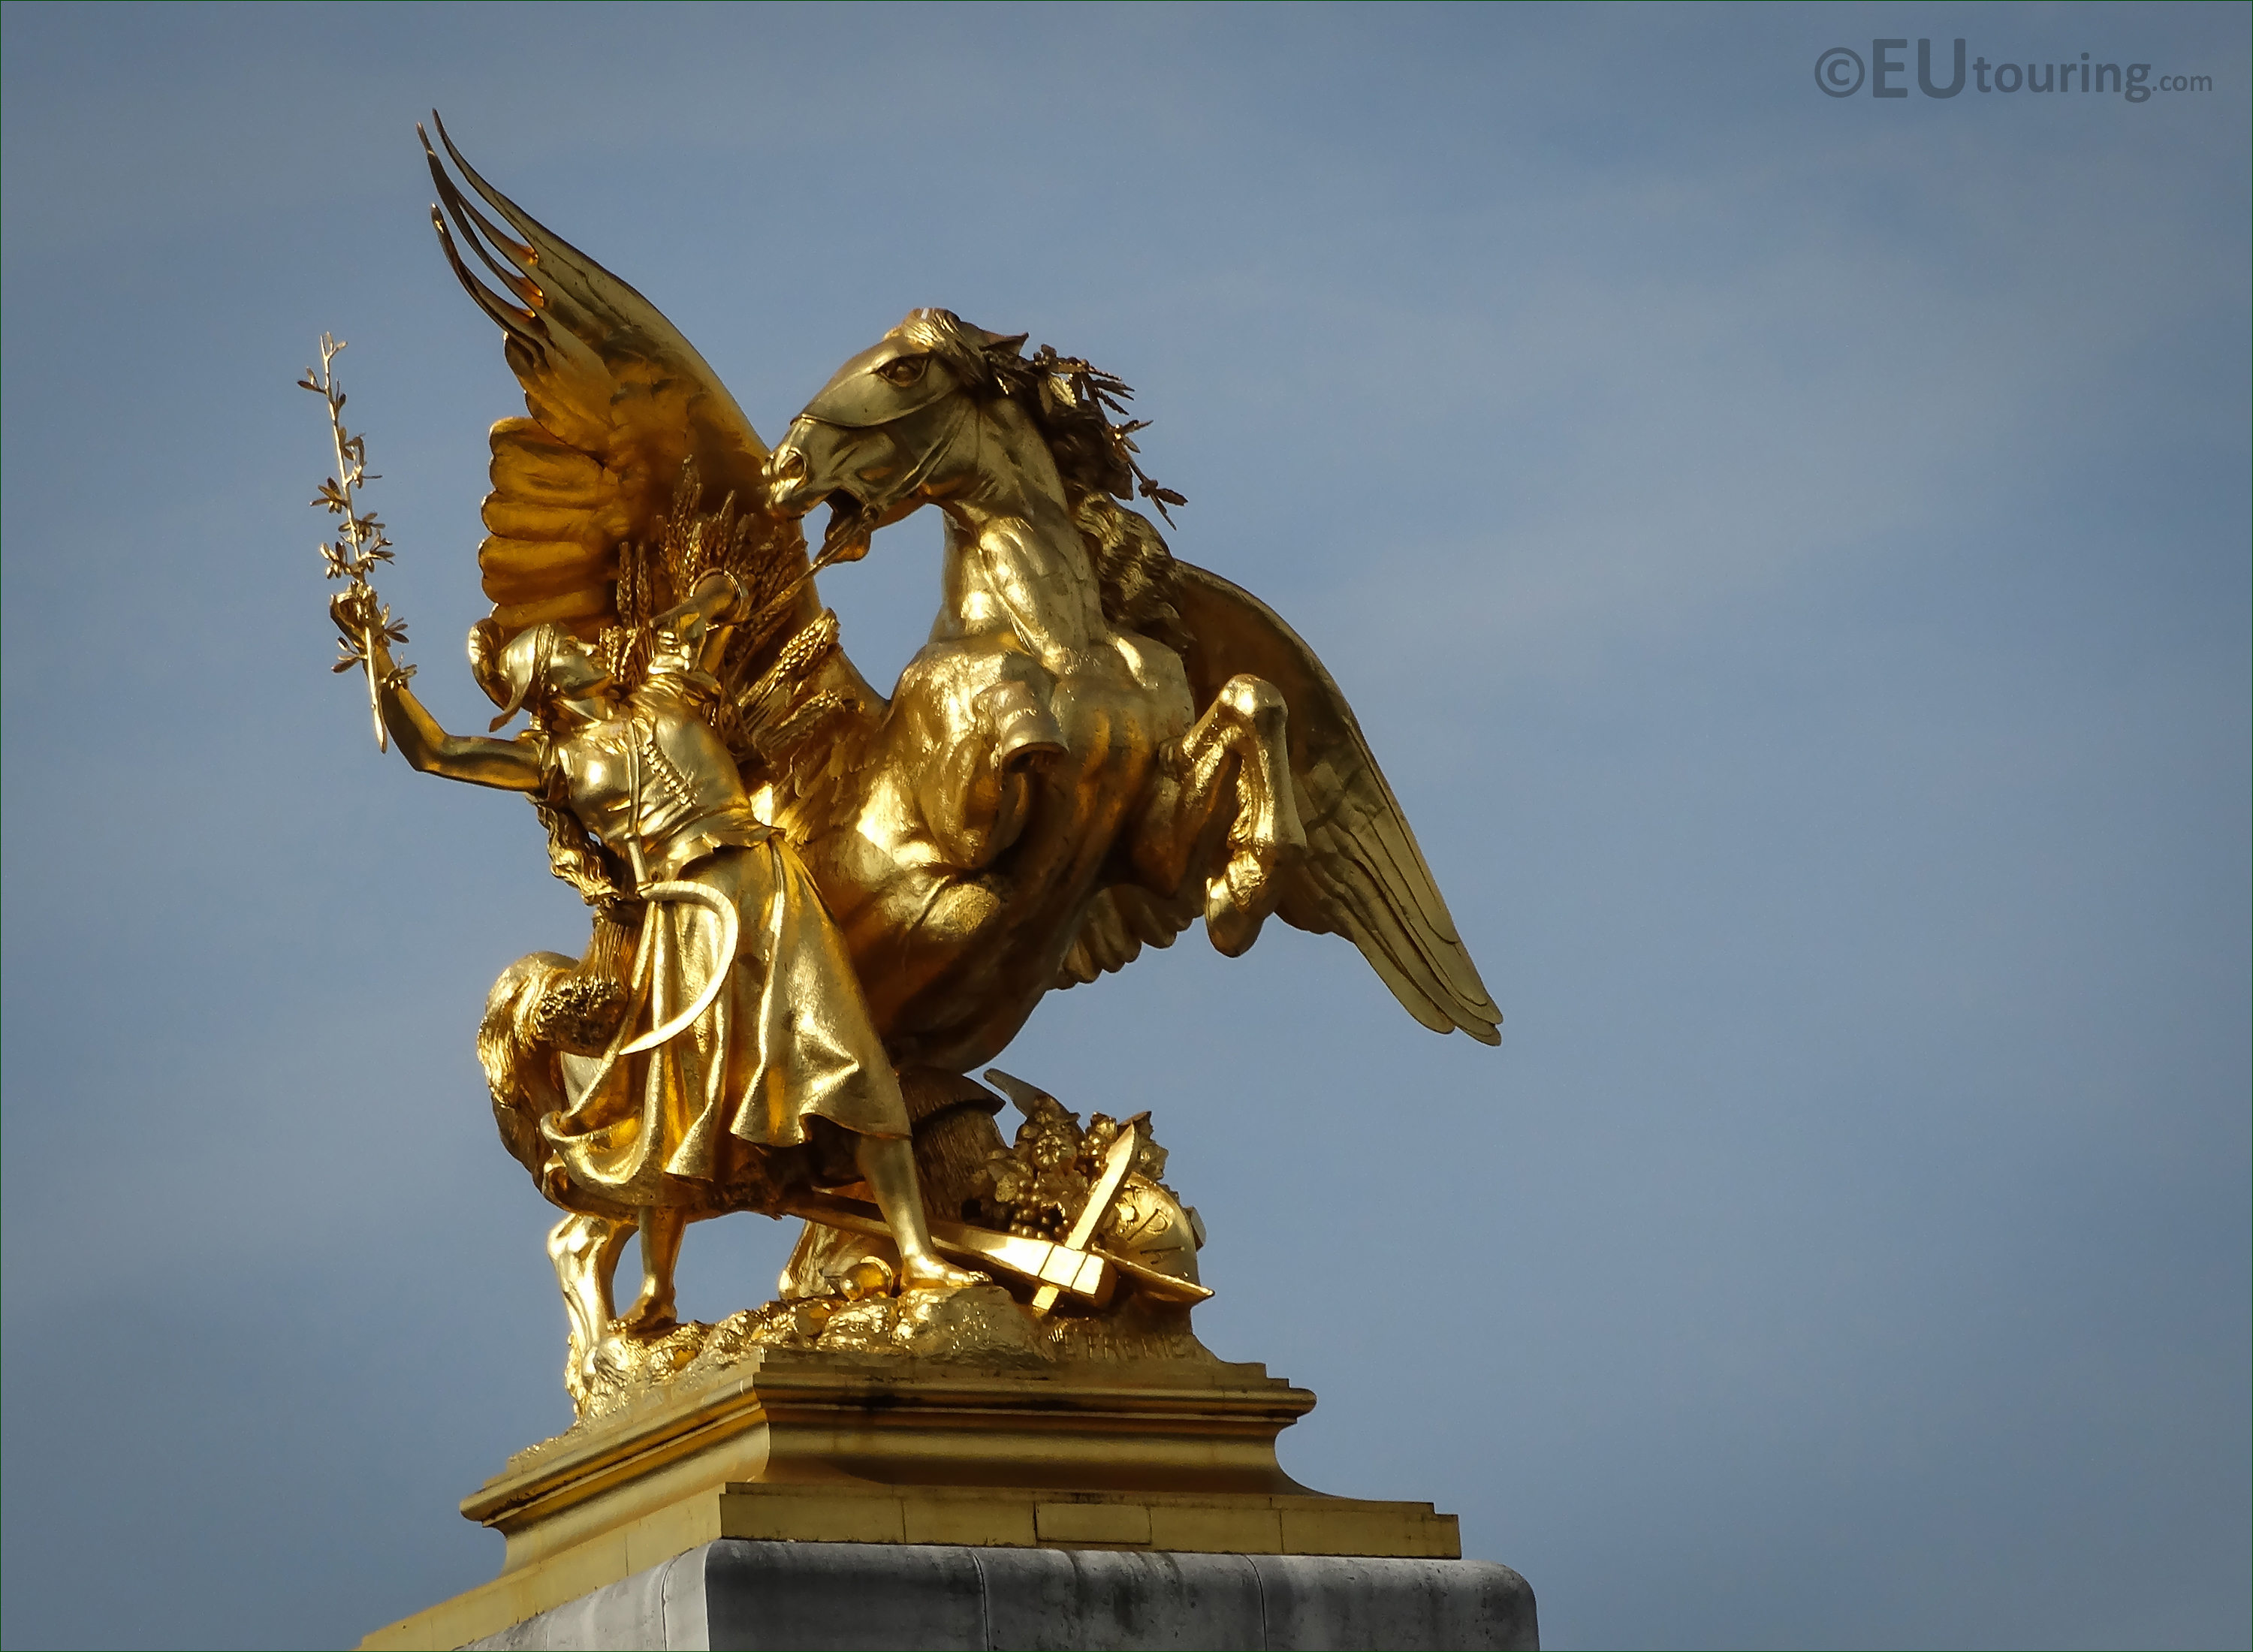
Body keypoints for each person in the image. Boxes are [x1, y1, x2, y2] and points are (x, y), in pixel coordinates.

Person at [344, 571, 981, 1335]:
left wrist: (692, 605)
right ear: (544, 685)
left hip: (766, 885)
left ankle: (918, 1253)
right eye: (562, 654)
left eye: (577, 646)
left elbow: (722, 596)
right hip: (679, 921)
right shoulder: (557, 764)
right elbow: (437, 750)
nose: (582, 653)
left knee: (850, 1061)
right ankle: (658, 1291)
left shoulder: (665, 685)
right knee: (674, 1104)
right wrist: (378, 657)